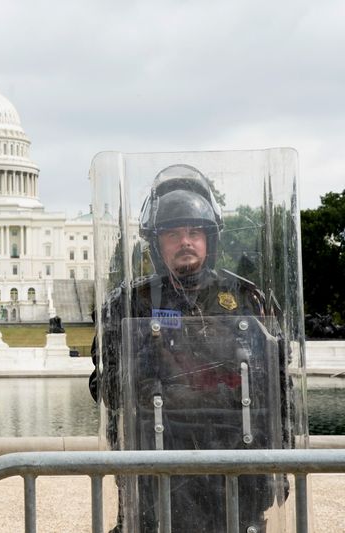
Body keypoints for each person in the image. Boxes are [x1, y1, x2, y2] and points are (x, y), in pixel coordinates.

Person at [89, 164, 290, 532]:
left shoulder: (247, 299)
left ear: (210, 239)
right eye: (173, 233)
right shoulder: (129, 303)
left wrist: (281, 461)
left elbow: (278, 388)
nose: (185, 241)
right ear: (156, 242)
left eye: (195, 232)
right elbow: (105, 386)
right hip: (156, 462)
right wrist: (143, 367)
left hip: (234, 459)